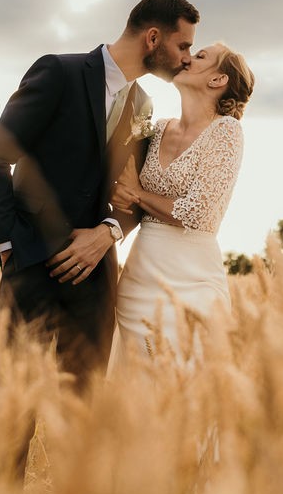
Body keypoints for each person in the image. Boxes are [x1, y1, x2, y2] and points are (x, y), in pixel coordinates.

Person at [0, 0, 200, 391]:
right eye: (183, 45)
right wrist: (10, 247)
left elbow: (134, 192)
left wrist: (107, 232)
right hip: (31, 271)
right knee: (13, 408)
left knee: (84, 420)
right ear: (152, 38)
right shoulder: (59, 73)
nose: (186, 57)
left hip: (95, 279)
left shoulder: (144, 105)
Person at [107, 42, 254, 369]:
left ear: (217, 80)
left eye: (200, 57)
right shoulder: (158, 128)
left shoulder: (226, 131)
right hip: (140, 274)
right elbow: (125, 189)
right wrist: (122, 194)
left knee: (187, 380)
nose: (187, 58)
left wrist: (138, 194)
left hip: (192, 279)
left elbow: (199, 213)